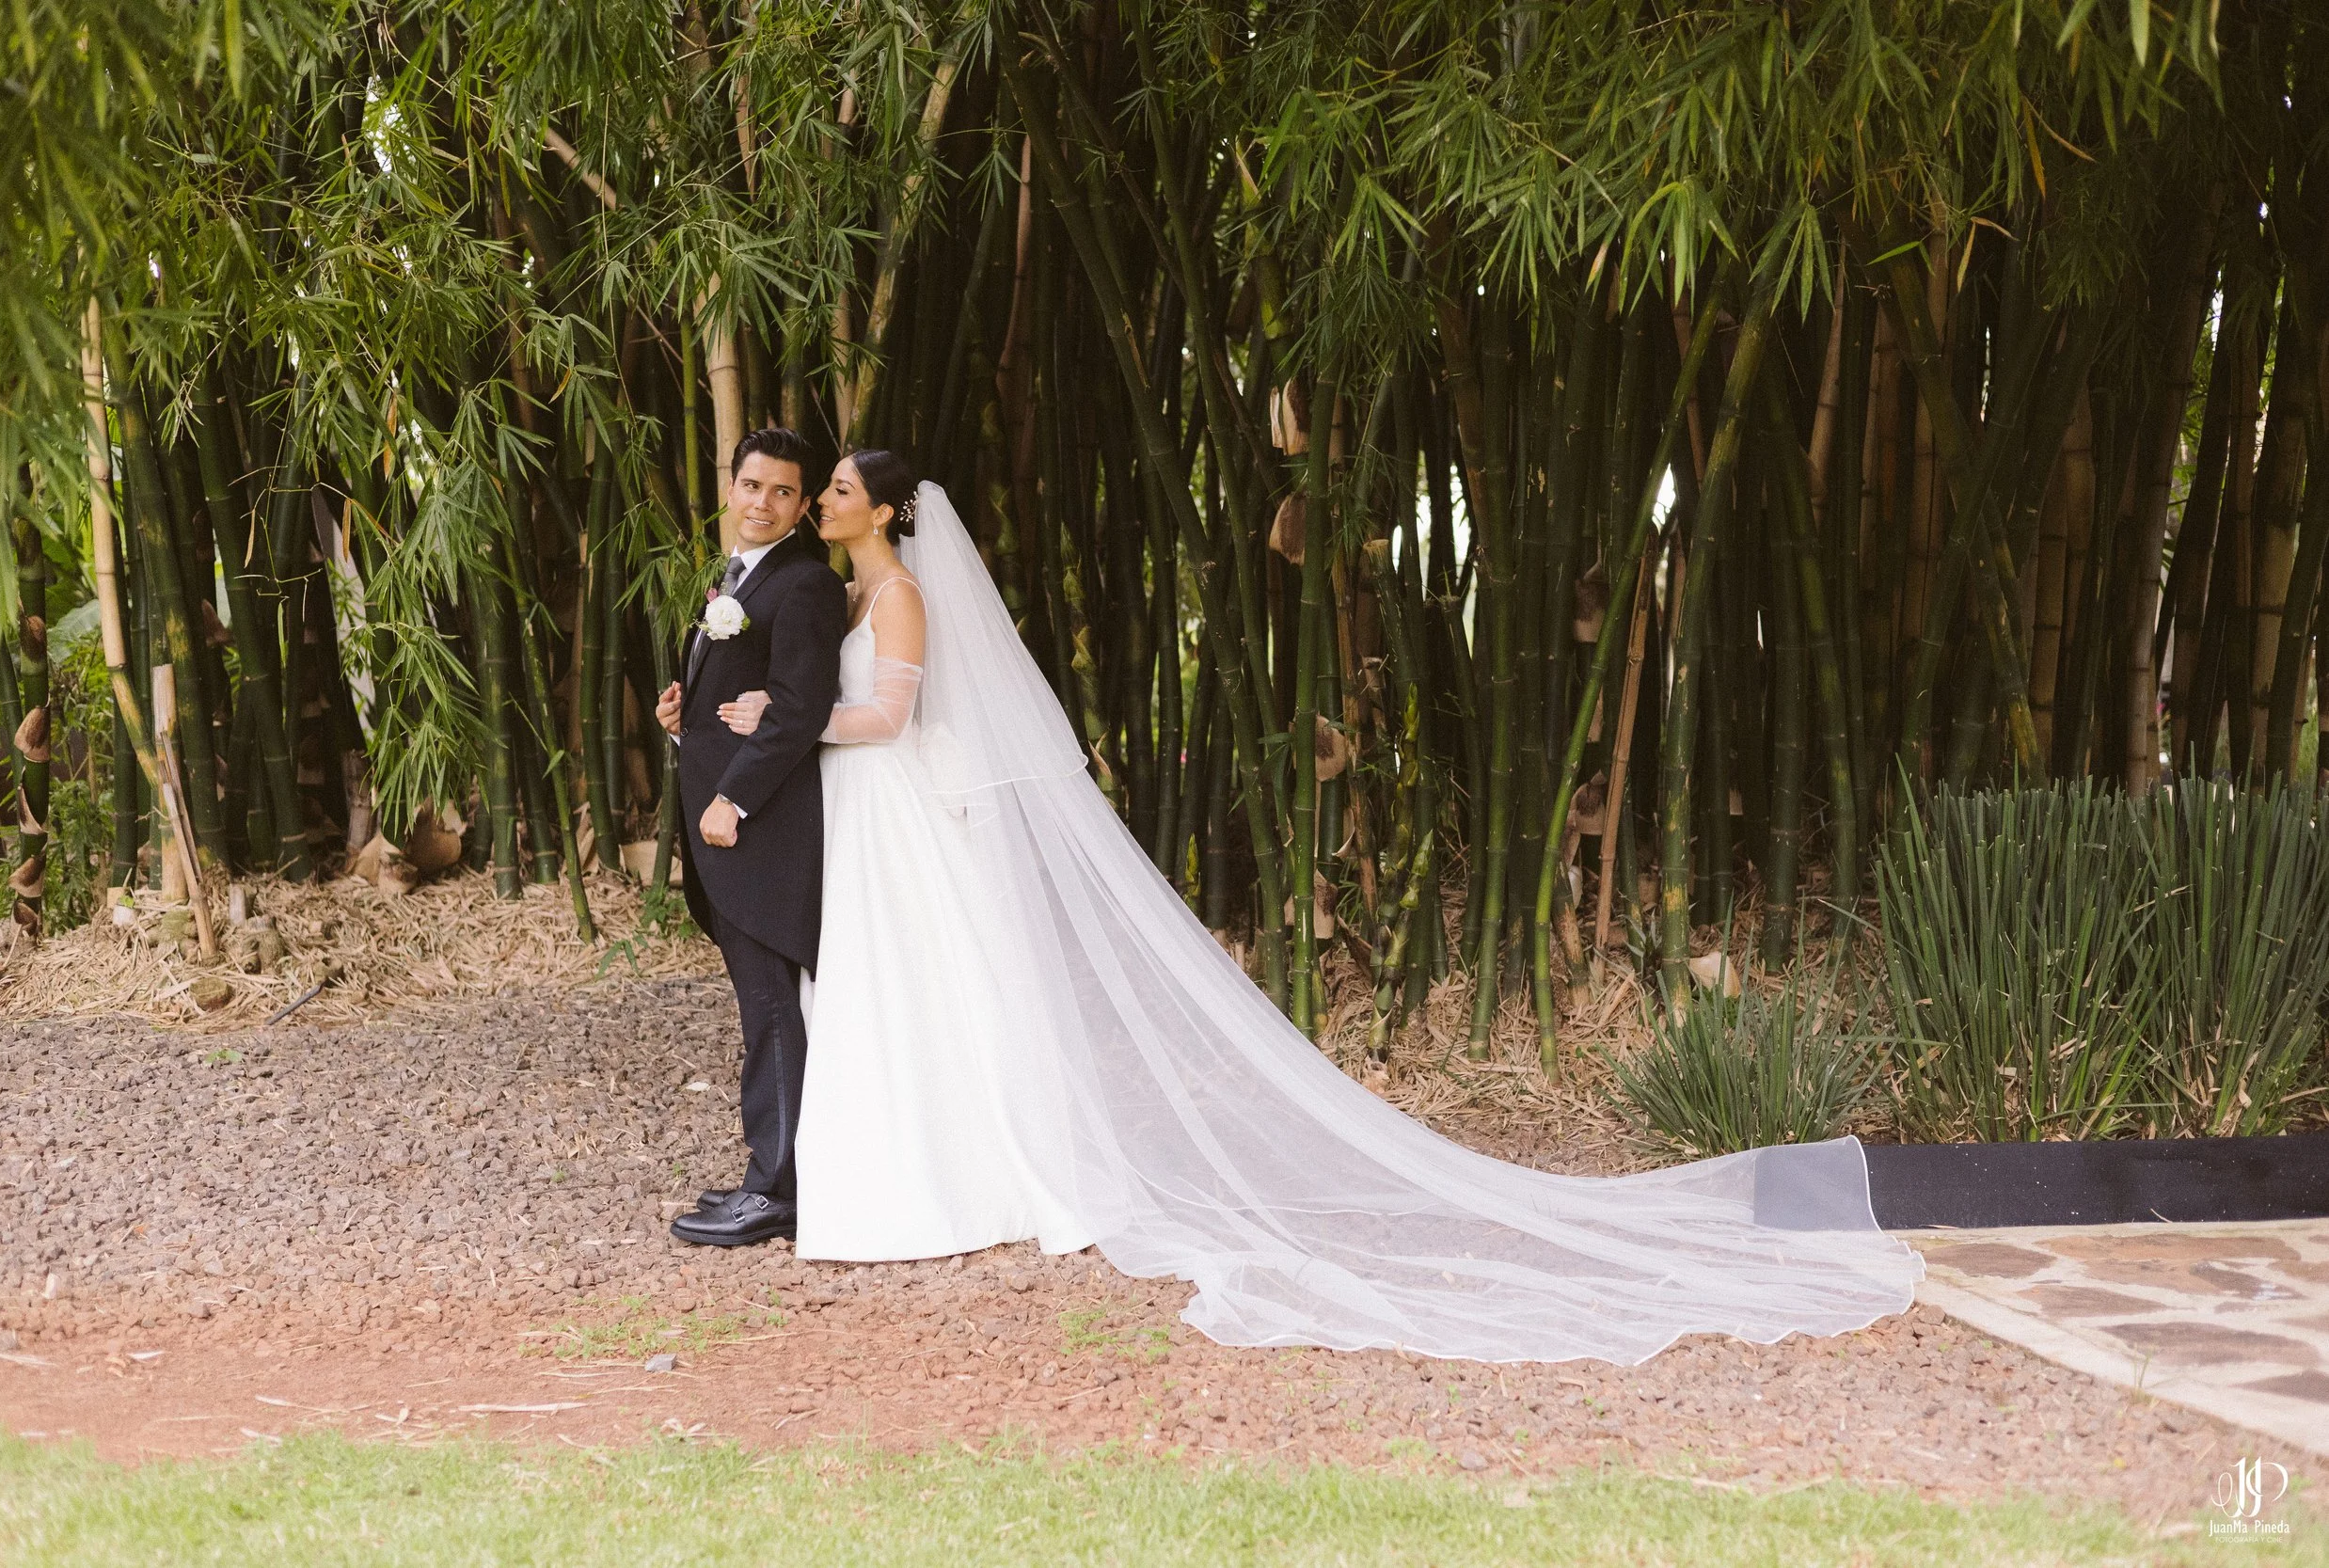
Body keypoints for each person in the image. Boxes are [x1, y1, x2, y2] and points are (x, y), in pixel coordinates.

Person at [718, 450, 1926, 1365]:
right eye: (811, 488)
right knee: (894, 993)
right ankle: (911, 1166)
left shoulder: (907, 601)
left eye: (830, 489)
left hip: (897, 806)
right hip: (874, 816)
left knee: (927, 989)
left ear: (883, 508)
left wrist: (781, 727)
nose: (815, 500)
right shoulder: (850, 595)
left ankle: (980, 1171)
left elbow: (892, 719)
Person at [652, 428, 846, 1249]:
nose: (762, 503)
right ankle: (775, 1170)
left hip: (761, 829)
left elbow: (799, 709)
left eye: (782, 492)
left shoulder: (804, 585)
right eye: (751, 485)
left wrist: (731, 795)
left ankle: (775, 1189)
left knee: (771, 1010)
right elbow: (736, 694)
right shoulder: (734, 579)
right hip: (731, 821)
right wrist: (681, 722)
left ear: (803, 507)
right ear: (728, 485)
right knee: (763, 1007)